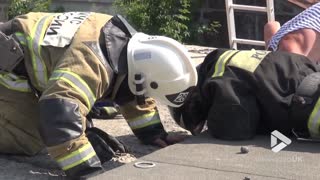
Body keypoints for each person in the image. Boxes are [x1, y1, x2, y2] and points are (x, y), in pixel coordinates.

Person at [0, 12, 198, 177]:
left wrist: (153, 133)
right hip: (7, 69)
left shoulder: (126, 45)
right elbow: (58, 115)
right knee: (29, 138)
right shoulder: (91, 62)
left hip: (18, 56)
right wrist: (89, 169)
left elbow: (132, 91)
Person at [169, 48, 320, 141]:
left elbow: (236, 130)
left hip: (309, 106)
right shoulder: (231, 60)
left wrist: (214, 120)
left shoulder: (221, 82)